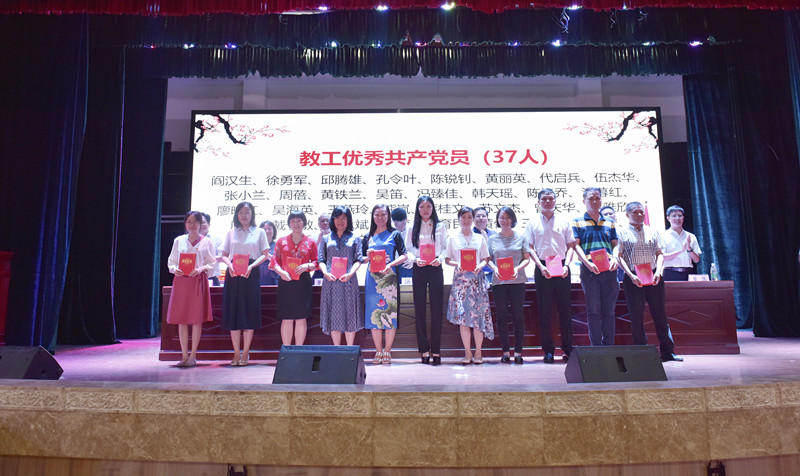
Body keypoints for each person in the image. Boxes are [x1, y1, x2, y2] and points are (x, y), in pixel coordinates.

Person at [617, 202, 683, 362]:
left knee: (660, 314)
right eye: (635, 212)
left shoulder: (653, 231)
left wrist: (659, 272)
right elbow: (619, 257)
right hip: (633, 278)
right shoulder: (621, 233)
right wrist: (631, 276)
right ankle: (642, 352)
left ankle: (667, 351)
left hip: (654, 276)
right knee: (636, 316)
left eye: (641, 212)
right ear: (627, 215)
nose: (640, 215)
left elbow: (659, 254)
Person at [525, 189, 576, 363]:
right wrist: (540, 267)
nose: (547, 201)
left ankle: (568, 349)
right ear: (538, 202)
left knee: (565, 311)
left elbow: (571, 246)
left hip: (562, 267)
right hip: (542, 268)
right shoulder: (532, 223)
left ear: (555, 200)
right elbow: (530, 248)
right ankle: (548, 350)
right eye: (544, 199)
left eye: (550, 199)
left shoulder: (564, 221)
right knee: (544, 311)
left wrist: (567, 265)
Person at [219, 202, 269, 366]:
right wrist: (230, 265)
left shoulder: (259, 232)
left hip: (250, 273)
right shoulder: (231, 232)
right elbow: (224, 254)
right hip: (233, 274)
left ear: (252, 214)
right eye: (241, 212)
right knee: (233, 314)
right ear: (236, 214)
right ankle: (236, 352)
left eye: (247, 212)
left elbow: (265, 254)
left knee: (248, 313)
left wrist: (252, 266)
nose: (244, 215)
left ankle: (246, 352)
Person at [165, 211, 217, 367]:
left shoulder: (207, 242)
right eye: (189, 221)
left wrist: (201, 269)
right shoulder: (178, 240)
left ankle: (193, 355)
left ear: (201, 224)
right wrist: (175, 269)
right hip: (181, 281)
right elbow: (171, 261)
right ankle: (184, 355)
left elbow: (212, 263)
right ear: (185, 224)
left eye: (195, 222)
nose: (192, 225)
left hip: (197, 282)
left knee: (196, 320)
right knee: (181, 319)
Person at [572, 187, 620, 346]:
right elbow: (576, 246)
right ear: (584, 201)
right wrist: (587, 263)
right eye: (591, 198)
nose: (594, 201)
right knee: (593, 311)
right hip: (589, 271)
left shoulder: (609, 222)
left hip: (610, 270)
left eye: (597, 198)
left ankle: (609, 346)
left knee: (609, 311)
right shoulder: (577, 221)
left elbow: (615, 244)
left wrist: (615, 258)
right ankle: (596, 348)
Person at [445, 207, 492, 365]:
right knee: (464, 318)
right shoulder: (453, 238)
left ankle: (478, 351)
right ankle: (467, 352)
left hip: (477, 281)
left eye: (469, 217)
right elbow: (447, 259)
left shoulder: (479, 238)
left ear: (473, 219)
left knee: (478, 318)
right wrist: (457, 264)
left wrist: (480, 266)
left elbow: (486, 258)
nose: (466, 220)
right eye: (463, 217)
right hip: (461, 282)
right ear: (458, 219)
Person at [406, 195, 448, 365]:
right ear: (417, 209)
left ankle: (436, 351)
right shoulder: (412, 227)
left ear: (433, 208)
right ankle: (424, 350)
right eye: (422, 207)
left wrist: (441, 259)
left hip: (435, 267)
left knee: (437, 310)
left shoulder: (440, 226)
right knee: (420, 309)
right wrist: (415, 260)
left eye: (428, 206)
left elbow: (445, 248)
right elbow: (408, 250)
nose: (425, 210)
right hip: (419, 267)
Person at [363, 204, 408, 364]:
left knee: (390, 314)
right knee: (374, 314)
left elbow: (404, 255)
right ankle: (378, 351)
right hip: (372, 280)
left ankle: (387, 350)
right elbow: (361, 259)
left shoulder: (394, 234)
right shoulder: (368, 235)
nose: (380, 217)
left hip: (389, 279)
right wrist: (367, 257)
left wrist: (391, 264)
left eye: (383, 214)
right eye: (377, 214)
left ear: (388, 216)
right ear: (372, 216)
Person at [487, 207, 531, 364]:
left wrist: (516, 269)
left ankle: (518, 352)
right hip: (499, 282)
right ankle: (505, 352)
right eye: (501, 218)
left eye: (507, 217)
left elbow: (527, 258)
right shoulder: (492, 239)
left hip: (517, 281)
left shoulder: (521, 237)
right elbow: (488, 260)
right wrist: (495, 269)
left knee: (518, 316)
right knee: (502, 317)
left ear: (513, 219)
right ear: (497, 220)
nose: (504, 220)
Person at [318, 206, 364, 345]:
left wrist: (350, 273)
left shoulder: (355, 238)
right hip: (331, 282)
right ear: (333, 219)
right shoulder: (326, 238)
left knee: (350, 315)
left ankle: (349, 351)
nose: (340, 221)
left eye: (344, 218)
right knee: (334, 316)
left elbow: (358, 260)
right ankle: (337, 351)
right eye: (337, 218)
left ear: (348, 220)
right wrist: (325, 273)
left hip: (349, 281)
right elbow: (321, 260)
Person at [273, 210, 318, 346]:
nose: (296, 224)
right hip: (286, 281)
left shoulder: (310, 242)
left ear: (304, 223)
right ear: (289, 223)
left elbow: (317, 262)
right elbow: (274, 262)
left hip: (303, 282)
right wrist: (281, 272)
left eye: (299, 220)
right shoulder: (281, 241)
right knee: (286, 318)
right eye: (293, 221)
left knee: (301, 318)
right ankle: (287, 350)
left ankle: (299, 350)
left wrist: (307, 266)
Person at [661, 205, 702, 281]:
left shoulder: (691, 236)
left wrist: (689, 249)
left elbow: (696, 260)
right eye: (674, 216)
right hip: (670, 273)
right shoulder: (662, 235)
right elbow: (662, 257)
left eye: (680, 216)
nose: (677, 218)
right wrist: (680, 251)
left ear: (683, 218)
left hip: (688, 273)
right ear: (668, 218)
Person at [599, 206, 625, 282]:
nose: (608, 216)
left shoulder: (622, 231)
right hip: (606, 265)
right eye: (605, 214)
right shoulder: (599, 232)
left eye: (610, 214)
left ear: (615, 216)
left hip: (623, 266)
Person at [199, 212, 223, 286]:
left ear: (209, 224)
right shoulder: (189, 239)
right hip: (195, 277)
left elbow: (222, 257)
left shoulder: (216, 239)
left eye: (203, 222)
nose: (200, 225)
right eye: (198, 222)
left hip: (212, 276)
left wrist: (208, 259)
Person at [473, 207, 496, 280]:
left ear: (487, 219)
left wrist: (486, 239)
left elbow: (496, 254)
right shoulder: (468, 234)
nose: (481, 218)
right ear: (473, 218)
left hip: (492, 273)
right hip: (473, 273)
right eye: (478, 216)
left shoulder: (494, 234)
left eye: (483, 216)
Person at [391, 207, 413, 282]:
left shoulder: (413, 230)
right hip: (394, 265)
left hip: (410, 264)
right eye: (396, 225)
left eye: (403, 224)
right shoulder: (390, 232)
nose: (400, 227)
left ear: (407, 219)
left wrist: (413, 259)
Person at [258, 220, 279, 285]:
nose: (267, 231)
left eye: (269, 229)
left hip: (273, 279)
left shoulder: (278, 246)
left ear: (273, 231)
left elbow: (279, 262)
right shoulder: (256, 246)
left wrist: (266, 254)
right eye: (264, 229)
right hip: (257, 279)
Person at [312, 213, 331, 281]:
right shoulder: (314, 237)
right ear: (318, 224)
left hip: (333, 269)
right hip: (319, 270)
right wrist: (319, 240)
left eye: (327, 221)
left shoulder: (336, 237)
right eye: (322, 221)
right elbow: (312, 253)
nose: (325, 223)